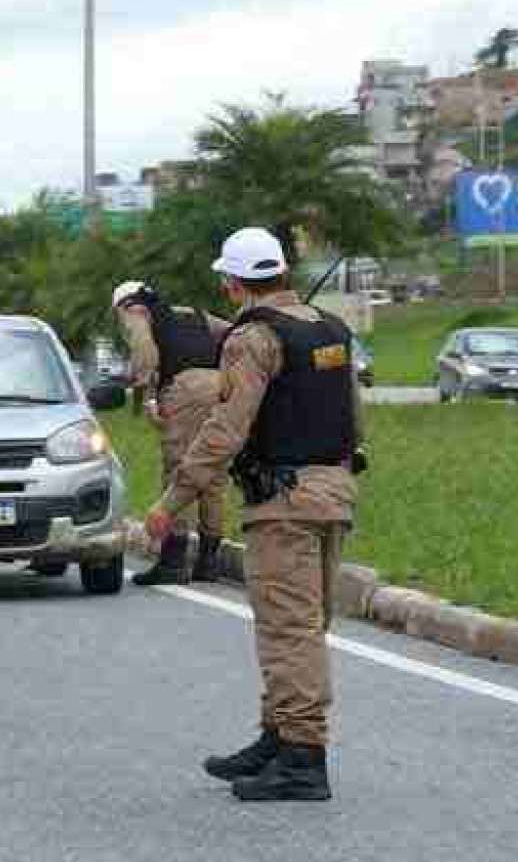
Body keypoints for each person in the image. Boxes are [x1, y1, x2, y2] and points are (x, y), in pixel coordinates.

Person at [143, 227, 362, 803]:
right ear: (283, 274)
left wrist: (172, 502)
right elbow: (351, 416)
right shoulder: (331, 329)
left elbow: (225, 429)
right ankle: (278, 737)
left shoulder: (254, 339)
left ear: (232, 283)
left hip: (283, 503)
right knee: (304, 625)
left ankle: (302, 759)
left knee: (288, 631)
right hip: (333, 491)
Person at [112, 279, 230, 586]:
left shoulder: (133, 310)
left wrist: (147, 393)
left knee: (180, 469)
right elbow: (234, 335)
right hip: (219, 385)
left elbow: (144, 350)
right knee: (212, 471)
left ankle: (173, 561)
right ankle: (208, 561)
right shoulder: (194, 314)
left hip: (184, 390)